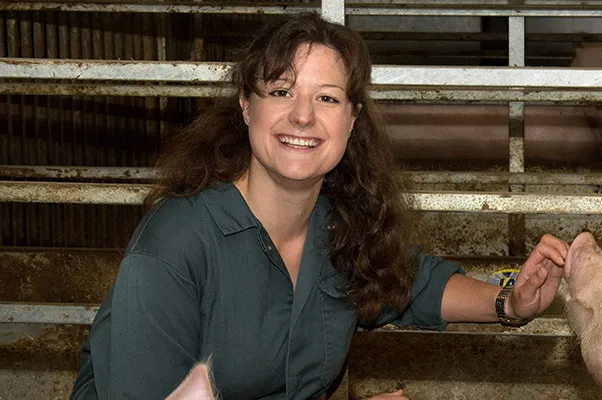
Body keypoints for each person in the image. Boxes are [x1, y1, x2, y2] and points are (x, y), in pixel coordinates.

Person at [69, 12, 568, 400]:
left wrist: (508, 302)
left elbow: (409, 281)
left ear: (352, 120)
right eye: (281, 91)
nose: (303, 116)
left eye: (327, 99)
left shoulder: (339, 224)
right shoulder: (175, 244)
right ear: (246, 106)